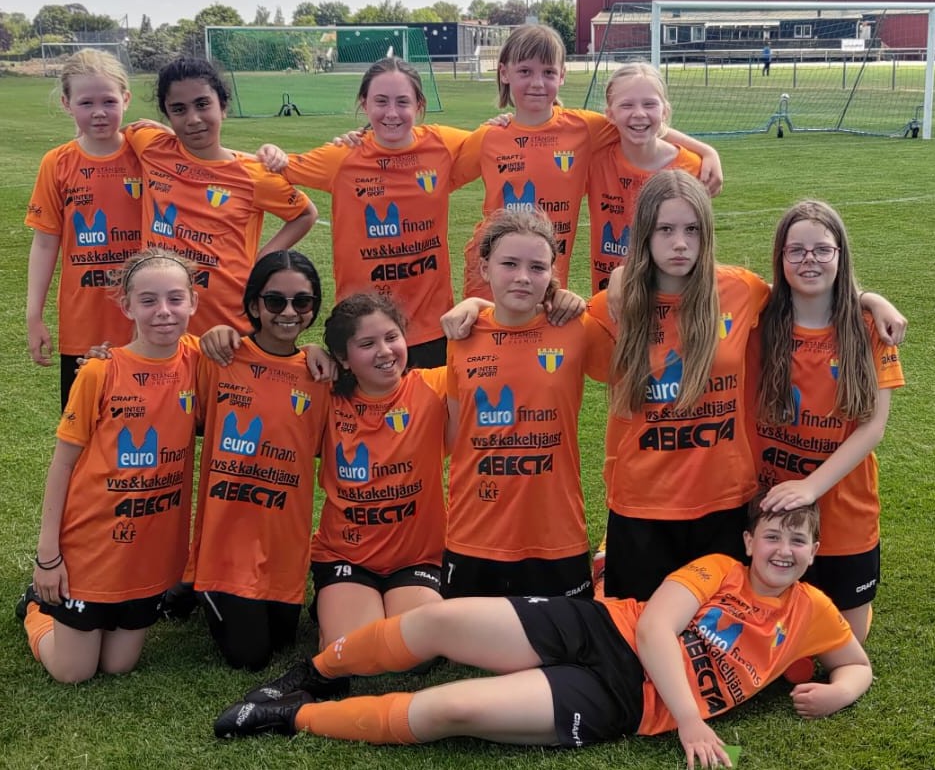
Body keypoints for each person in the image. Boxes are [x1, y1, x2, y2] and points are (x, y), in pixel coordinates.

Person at [215, 497, 873, 770]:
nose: (783, 550)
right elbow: (656, 630)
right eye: (773, 536)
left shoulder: (812, 611)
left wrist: (839, 691)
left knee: (450, 708)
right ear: (750, 540)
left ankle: (292, 716)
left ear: (814, 552)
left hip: (623, 700)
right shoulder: (719, 568)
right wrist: (692, 722)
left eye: (798, 541)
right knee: (439, 620)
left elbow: (856, 664)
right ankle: (313, 674)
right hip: (605, 627)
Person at [601, 174, 907, 603]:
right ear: (644, 234)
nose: (680, 243)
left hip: (730, 503)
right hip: (646, 505)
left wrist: (868, 298)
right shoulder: (613, 309)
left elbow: (808, 288)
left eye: (692, 229)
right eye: (665, 229)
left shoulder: (741, 291)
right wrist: (621, 276)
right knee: (634, 629)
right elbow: (552, 326)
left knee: (730, 620)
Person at [244, 292, 450, 702]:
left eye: (392, 337)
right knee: (355, 653)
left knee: (416, 654)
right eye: (367, 344)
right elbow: (269, 373)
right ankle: (334, 609)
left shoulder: (433, 386)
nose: (385, 352)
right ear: (343, 357)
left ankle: (378, 611)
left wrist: (475, 306)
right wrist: (308, 351)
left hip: (416, 557)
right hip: (346, 557)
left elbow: (488, 355)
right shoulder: (326, 397)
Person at [16, 248, 200, 683]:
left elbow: (255, 354)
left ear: (193, 302)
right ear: (127, 306)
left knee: (119, 665)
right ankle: (36, 607)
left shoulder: (199, 360)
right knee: (73, 671)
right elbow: (63, 465)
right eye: (148, 300)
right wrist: (48, 555)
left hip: (146, 552)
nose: (163, 311)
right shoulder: (99, 371)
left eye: (175, 298)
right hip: (91, 545)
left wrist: (311, 351)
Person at [454, 24, 723, 299]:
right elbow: (444, 170)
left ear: (562, 75)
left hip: (545, 276)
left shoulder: (583, 128)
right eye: (525, 71)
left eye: (548, 72)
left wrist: (706, 150)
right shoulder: (488, 137)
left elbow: (640, 123)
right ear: (504, 73)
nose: (537, 83)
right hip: (489, 275)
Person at [257, 57, 475, 368]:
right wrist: (270, 152)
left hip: (428, 329)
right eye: (381, 101)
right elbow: (268, 172)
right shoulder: (343, 156)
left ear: (419, 105)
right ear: (364, 103)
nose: (392, 113)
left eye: (403, 102)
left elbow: (498, 144)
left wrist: (516, 118)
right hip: (359, 329)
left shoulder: (442, 145)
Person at [752, 200, 904, 643]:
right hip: (772, 506)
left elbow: (873, 428)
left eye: (822, 250)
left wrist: (811, 487)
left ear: (841, 254)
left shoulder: (870, 330)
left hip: (845, 515)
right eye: (796, 251)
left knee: (844, 643)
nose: (809, 260)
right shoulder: (759, 320)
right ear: (780, 257)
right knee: (776, 640)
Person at [443, 208, 615, 599]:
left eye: (537, 267)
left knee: (562, 630)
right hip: (474, 531)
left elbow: (634, 362)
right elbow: (457, 432)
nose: (523, 276)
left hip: (555, 535)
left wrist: (580, 302)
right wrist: (475, 304)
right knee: (466, 630)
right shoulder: (462, 333)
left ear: (552, 274)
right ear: (484, 268)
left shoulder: (576, 328)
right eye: (509, 264)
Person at [188, 250, 330, 670]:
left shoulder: (321, 375)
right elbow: (157, 363)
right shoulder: (221, 357)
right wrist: (103, 361)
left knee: (284, 639)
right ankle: (194, 581)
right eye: (274, 301)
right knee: (250, 656)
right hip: (227, 545)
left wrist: (318, 349)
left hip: (283, 543)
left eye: (301, 302)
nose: (288, 312)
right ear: (253, 305)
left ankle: (183, 590)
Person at [124, 56, 316, 336]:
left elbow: (305, 214)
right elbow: (121, 133)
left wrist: (262, 261)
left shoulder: (254, 174)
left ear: (223, 107)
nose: (193, 119)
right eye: (179, 109)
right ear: (167, 115)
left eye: (203, 104)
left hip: (229, 322)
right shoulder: (151, 146)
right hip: (164, 320)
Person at [25, 49, 142, 409]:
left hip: (146, 324)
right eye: (86, 102)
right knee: (83, 429)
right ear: (67, 104)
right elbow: (45, 243)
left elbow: (205, 158)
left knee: (145, 429)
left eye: (109, 101)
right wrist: (34, 315)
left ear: (126, 98)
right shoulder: (57, 163)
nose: (99, 112)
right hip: (83, 327)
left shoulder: (147, 155)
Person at [587, 62, 707, 293]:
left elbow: (698, 238)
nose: (639, 114)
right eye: (627, 105)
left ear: (665, 111)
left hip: (675, 297)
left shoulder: (693, 168)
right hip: (611, 296)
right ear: (610, 114)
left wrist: (708, 153)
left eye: (649, 104)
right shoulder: (595, 162)